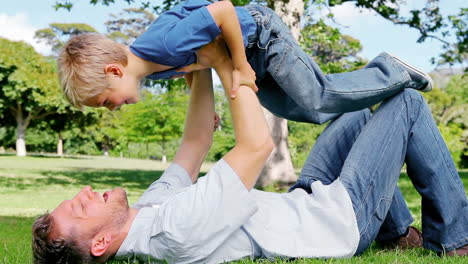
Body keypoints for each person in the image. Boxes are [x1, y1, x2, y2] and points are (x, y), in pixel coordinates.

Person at [33, 38, 466, 264]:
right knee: (406, 102)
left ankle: (393, 234)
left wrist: (195, 66)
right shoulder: (176, 232)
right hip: (340, 219)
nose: (86, 192)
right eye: (80, 208)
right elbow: (256, 146)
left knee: (354, 115)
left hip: (306, 200)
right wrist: (226, 62)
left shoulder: (149, 212)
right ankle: (456, 240)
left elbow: (195, 143)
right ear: (100, 243)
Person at [57, 0, 433, 125]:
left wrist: (239, 65)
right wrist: (211, 109)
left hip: (260, 36)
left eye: (105, 100)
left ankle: (392, 70)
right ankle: (366, 97)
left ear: (113, 71)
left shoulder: (161, 45)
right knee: (305, 110)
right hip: (251, 54)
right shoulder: (154, 65)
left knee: (317, 96)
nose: (112, 108)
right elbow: (197, 62)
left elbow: (221, 11)